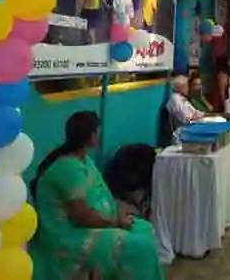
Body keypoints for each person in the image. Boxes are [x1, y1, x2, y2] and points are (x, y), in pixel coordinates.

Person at [31, 111, 165, 280]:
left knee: (144, 228)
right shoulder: (66, 168)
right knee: (140, 246)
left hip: (94, 224)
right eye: (98, 131)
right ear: (92, 135)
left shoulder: (84, 160)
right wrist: (116, 222)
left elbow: (99, 196)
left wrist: (117, 216)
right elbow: (82, 217)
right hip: (69, 235)